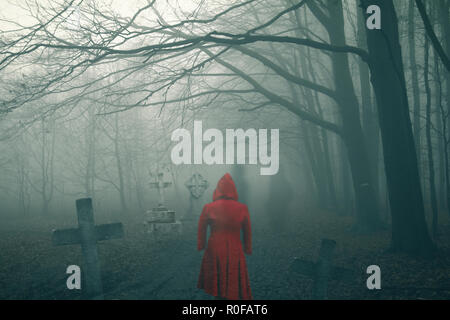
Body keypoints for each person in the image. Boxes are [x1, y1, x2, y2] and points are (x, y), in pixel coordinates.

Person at [197, 173, 252, 300]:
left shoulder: (208, 207)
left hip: (214, 247)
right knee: (233, 277)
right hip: (235, 247)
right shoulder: (242, 208)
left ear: (218, 189)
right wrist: (247, 248)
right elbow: (247, 230)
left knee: (217, 277)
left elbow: (201, 229)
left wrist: (201, 245)